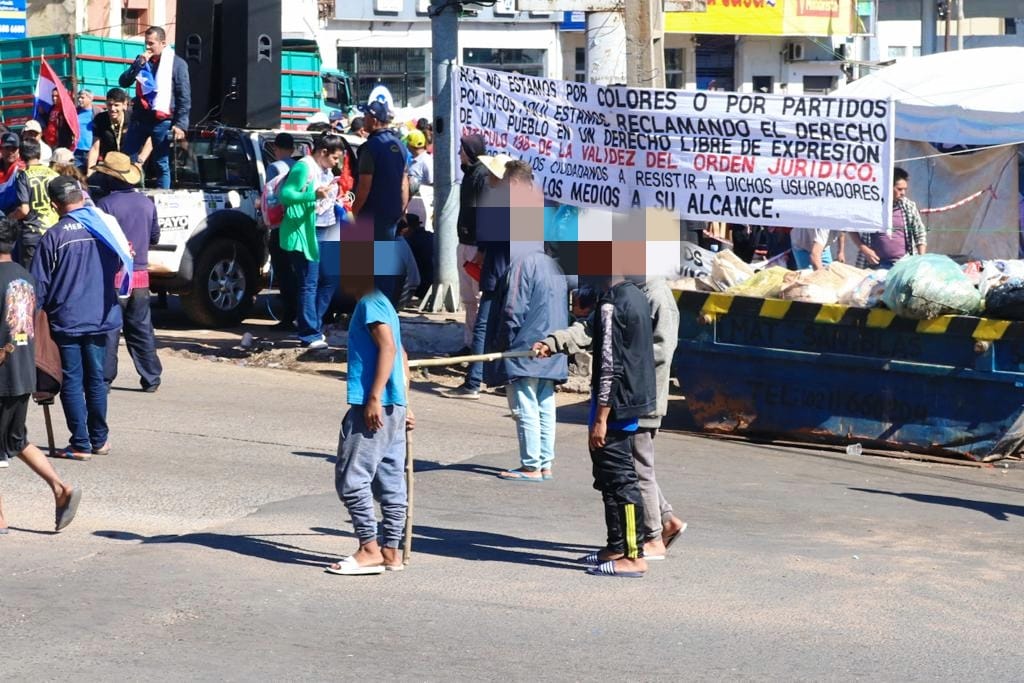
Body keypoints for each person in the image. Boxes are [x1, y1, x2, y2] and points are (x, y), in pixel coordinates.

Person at [538, 276, 687, 558]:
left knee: (636, 470)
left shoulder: (655, 294)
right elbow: (592, 328)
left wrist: (624, 360)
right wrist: (556, 342)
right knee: (635, 466)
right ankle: (667, 520)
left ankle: (652, 538)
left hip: (640, 398)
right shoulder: (621, 292)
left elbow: (661, 350)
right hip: (625, 393)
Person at [31, 176, 129, 460]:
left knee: (73, 380)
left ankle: (81, 443)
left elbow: (39, 285)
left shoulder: (55, 236)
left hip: (68, 319)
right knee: (96, 379)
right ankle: (99, 440)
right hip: (101, 315)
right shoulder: (105, 229)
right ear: (80, 195)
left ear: (53, 204)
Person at [325, 273, 413, 576]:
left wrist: (375, 396)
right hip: (393, 407)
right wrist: (403, 403)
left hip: (373, 406)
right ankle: (391, 550)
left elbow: (389, 348)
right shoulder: (382, 302)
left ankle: (369, 549)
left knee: (351, 479)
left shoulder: (370, 302)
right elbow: (402, 354)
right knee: (391, 482)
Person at [0, 217, 82, 534]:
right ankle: (61, 488)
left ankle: (2, 519)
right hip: (22, 371)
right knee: (15, 439)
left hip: (3, 374)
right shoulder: (25, 278)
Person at [492, 245, 568, 482]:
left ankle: (531, 465)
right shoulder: (556, 266)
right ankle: (544, 463)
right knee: (544, 404)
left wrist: (504, 343)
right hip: (551, 346)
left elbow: (513, 308)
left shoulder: (524, 263)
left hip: (524, 347)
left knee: (524, 406)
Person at [445, 154, 515, 400]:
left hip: (496, 275)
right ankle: (504, 379)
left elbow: (485, 245)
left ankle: (474, 381)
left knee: (484, 326)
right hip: (514, 277)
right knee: (507, 326)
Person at [94, 153, 162, 392]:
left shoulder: (105, 205)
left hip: (114, 278)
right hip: (140, 277)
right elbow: (154, 237)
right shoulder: (146, 202)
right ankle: (151, 377)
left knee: (110, 329)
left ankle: (104, 379)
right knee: (141, 328)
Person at [278, 133, 346, 349]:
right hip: (306, 231)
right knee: (309, 283)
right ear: (323, 152)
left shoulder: (325, 170)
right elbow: (286, 195)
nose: (337, 163)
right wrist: (312, 196)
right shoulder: (304, 167)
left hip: (327, 228)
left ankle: (310, 323)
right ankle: (309, 334)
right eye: (335, 158)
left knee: (331, 278)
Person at [351, 98, 409, 305]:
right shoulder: (400, 146)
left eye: (366, 115)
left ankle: (374, 319)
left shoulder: (371, 148)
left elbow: (364, 186)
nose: (363, 119)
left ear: (374, 120)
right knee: (384, 268)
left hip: (371, 216)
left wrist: (353, 212)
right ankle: (385, 314)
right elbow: (404, 183)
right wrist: (401, 212)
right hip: (390, 216)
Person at [119, 26, 191, 189]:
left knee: (161, 162)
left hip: (162, 120)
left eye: (151, 44)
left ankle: (162, 197)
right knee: (127, 158)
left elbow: (184, 96)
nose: (147, 48)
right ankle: (128, 192)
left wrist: (180, 124)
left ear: (163, 43)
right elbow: (124, 82)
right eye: (146, 43)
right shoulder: (143, 62)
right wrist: (138, 65)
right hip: (140, 118)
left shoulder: (177, 64)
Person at [850, 167, 927, 269]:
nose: (903, 193)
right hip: (876, 265)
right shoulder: (871, 206)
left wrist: (920, 260)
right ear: (888, 187)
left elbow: (920, 233)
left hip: (904, 265)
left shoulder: (909, 206)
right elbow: (850, 227)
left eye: (905, 189)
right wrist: (864, 249)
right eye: (899, 189)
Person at [455, 135, 488, 355]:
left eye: (462, 150)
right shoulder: (469, 174)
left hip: (476, 247)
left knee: (478, 298)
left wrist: (482, 251)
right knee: (468, 300)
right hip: (465, 244)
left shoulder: (482, 176)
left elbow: (485, 215)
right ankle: (470, 344)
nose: (459, 154)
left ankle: (480, 346)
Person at [265, 132, 298, 329]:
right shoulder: (299, 166)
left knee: (283, 273)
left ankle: (287, 318)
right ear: (293, 149)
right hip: (296, 224)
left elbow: (271, 197)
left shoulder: (274, 167)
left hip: (279, 225)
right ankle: (297, 315)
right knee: (296, 273)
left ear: (276, 149)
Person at [17, 139, 56, 268]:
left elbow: (24, 210)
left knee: (32, 276)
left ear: (21, 156)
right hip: (53, 231)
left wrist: (10, 217)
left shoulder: (24, 176)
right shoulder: (53, 174)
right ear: (39, 154)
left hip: (33, 232)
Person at [87, 88, 143, 172]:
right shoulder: (100, 119)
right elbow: (95, 148)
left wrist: (141, 159)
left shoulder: (134, 117)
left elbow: (149, 137)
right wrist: (89, 171)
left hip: (131, 164)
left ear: (124, 105)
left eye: (116, 105)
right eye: (109, 105)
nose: (112, 109)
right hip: (110, 164)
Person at [400, 213, 433, 299]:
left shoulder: (409, 242)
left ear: (407, 228)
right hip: (432, 285)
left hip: (420, 287)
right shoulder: (431, 236)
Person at [74, 90, 97, 171]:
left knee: (91, 177)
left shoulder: (97, 113)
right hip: (77, 151)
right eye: (79, 97)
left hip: (91, 152)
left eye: (82, 98)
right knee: (77, 176)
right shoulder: (75, 112)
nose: (79, 100)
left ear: (90, 99)